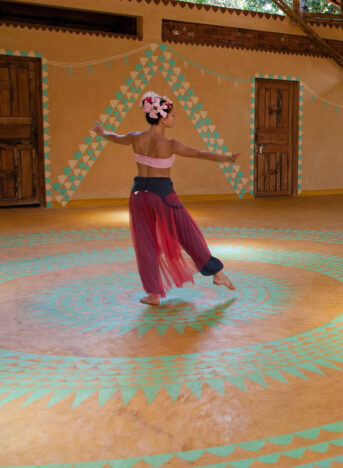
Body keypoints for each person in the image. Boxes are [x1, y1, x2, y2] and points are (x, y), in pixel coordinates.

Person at [92, 91, 238, 306]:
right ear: (162, 117)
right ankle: (217, 273)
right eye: (172, 115)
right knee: (188, 234)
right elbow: (199, 153)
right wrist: (226, 158)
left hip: (138, 196)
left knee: (146, 245)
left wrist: (102, 132)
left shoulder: (135, 137)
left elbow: (116, 138)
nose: (174, 118)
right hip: (163, 196)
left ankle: (153, 294)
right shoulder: (171, 144)